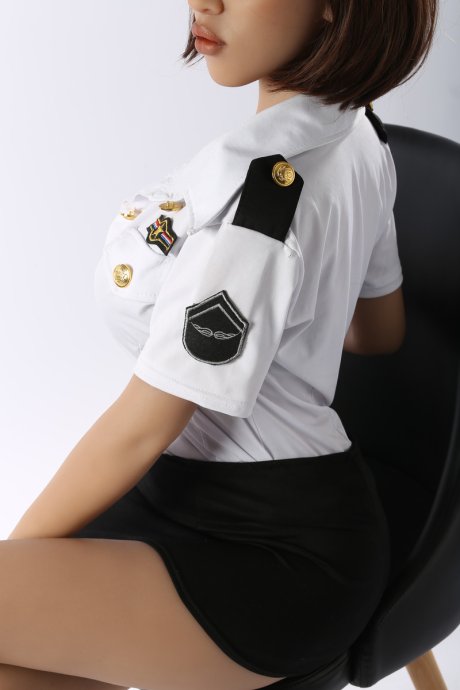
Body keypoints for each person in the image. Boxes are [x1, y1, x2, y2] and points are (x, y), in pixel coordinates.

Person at [2, 1, 438, 689]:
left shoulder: (258, 211)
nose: (204, 3)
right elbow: (380, 334)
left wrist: (15, 567)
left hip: (277, 564)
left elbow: (140, 430)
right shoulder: (361, 134)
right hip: (233, 498)